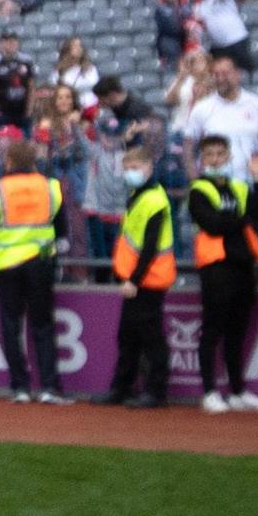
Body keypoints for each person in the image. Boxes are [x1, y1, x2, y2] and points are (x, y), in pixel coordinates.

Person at [188, 135, 258, 413]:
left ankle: (237, 391)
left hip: (242, 265)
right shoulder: (199, 190)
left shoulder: (239, 187)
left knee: (237, 332)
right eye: (210, 155)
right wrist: (241, 220)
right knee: (212, 330)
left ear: (228, 157)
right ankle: (210, 391)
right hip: (216, 267)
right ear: (202, 160)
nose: (215, 160)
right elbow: (212, 225)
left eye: (220, 154)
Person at [0, 140, 68, 403]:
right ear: (34, 161)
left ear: (8, 160)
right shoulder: (50, 186)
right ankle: (49, 388)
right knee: (42, 324)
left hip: (7, 263)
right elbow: (62, 226)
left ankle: (20, 388)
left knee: (11, 325)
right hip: (41, 262)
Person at [96, 144, 176, 407]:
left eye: (136, 168)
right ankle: (122, 388)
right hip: (139, 278)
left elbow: (151, 246)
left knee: (150, 338)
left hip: (148, 280)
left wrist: (134, 280)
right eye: (127, 168)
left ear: (149, 167)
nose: (131, 172)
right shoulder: (140, 196)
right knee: (127, 336)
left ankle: (156, 391)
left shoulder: (153, 199)